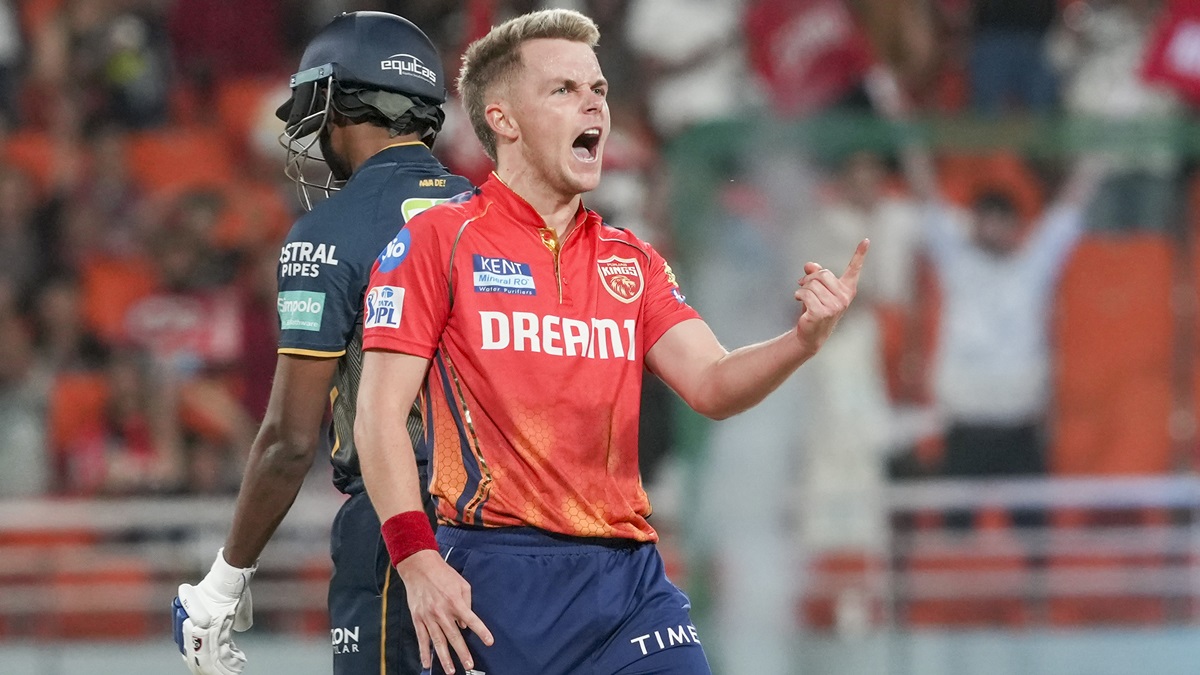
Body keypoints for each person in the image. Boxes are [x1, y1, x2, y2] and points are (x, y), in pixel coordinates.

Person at [355, 9, 868, 675]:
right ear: (503, 119)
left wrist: (802, 340)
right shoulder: (436, 242)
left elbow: (711, 383)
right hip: (494, 580)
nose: (594, 102)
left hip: (626, 585)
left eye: (597, 88)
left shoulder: (633, 262)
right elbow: (378, 416)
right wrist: (416, 558)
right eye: (564, 89)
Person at [171, 12, 471, 675]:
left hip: (399, 525)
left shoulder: (330, 231)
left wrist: (225, 580)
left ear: (340, 103)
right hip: (514, 524)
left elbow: (289, 440)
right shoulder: (502, 214)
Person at [868, 66, 1106, 528]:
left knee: (1036, 538)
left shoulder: (1033, 265)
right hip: (965, 425)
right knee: (953, 535)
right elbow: (921, 178)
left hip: (1020, 425)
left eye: (1002, 221)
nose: (992, 229)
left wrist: (1106, 135)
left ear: (1016, 227)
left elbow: (1075, 198)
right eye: (984, 219)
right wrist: (895, 112)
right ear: (973, 224)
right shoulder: (958, 260)